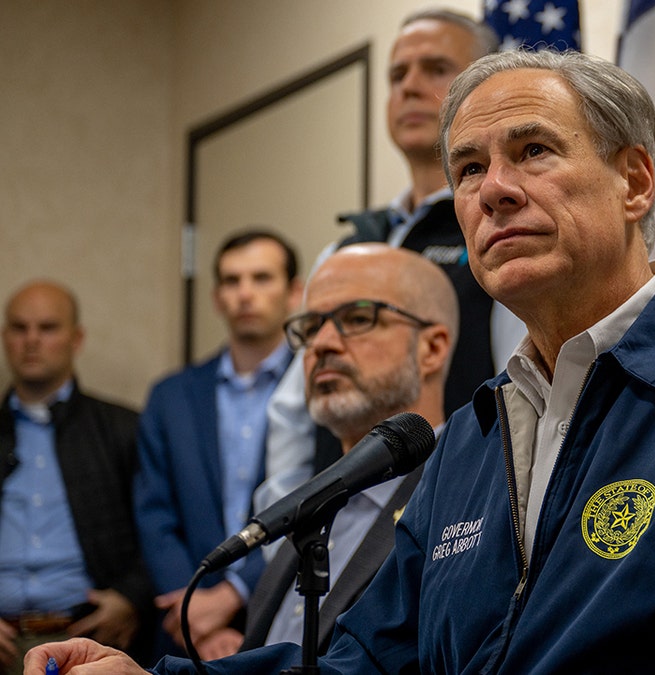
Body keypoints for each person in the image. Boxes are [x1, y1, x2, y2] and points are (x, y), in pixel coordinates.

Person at [26, 49, 655, 674]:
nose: (492, 191)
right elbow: (370, 666)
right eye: (468, 170)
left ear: (635, 179)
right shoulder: (470, 436)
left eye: (533, 152)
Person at [258, 8, 521, 513]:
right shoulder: (346, 249)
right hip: (339, 533)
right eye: (397, 75)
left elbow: (522, 388)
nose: (410, 87)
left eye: (436, 69)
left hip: (456, 515)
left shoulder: (500, 225)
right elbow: (292, 412)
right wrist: (290, 523)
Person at [192, 244, 456, 661]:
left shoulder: (466, 493)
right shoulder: (312, 501)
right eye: (312, 327)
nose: (323, 345)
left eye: (357, 318)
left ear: (432, 349)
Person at [133, 230, 302, 656]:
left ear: (294, 293)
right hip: (182, 623)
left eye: (261, 278)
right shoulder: (171, 395)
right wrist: (195, 613)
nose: (245, 293)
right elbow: (154, 513)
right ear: (216, 297)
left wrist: (232, 596)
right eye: (232, 280)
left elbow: (319, 505)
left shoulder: (318, 390)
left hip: (291, 613)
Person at [0, 281, 153, 673]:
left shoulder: (123, 429)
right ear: (5, 337)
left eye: (47, 328)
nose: (31, 340)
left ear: (76, 338)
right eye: (19, 328)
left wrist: (130, 597)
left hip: (87, 642)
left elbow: (160, 528)